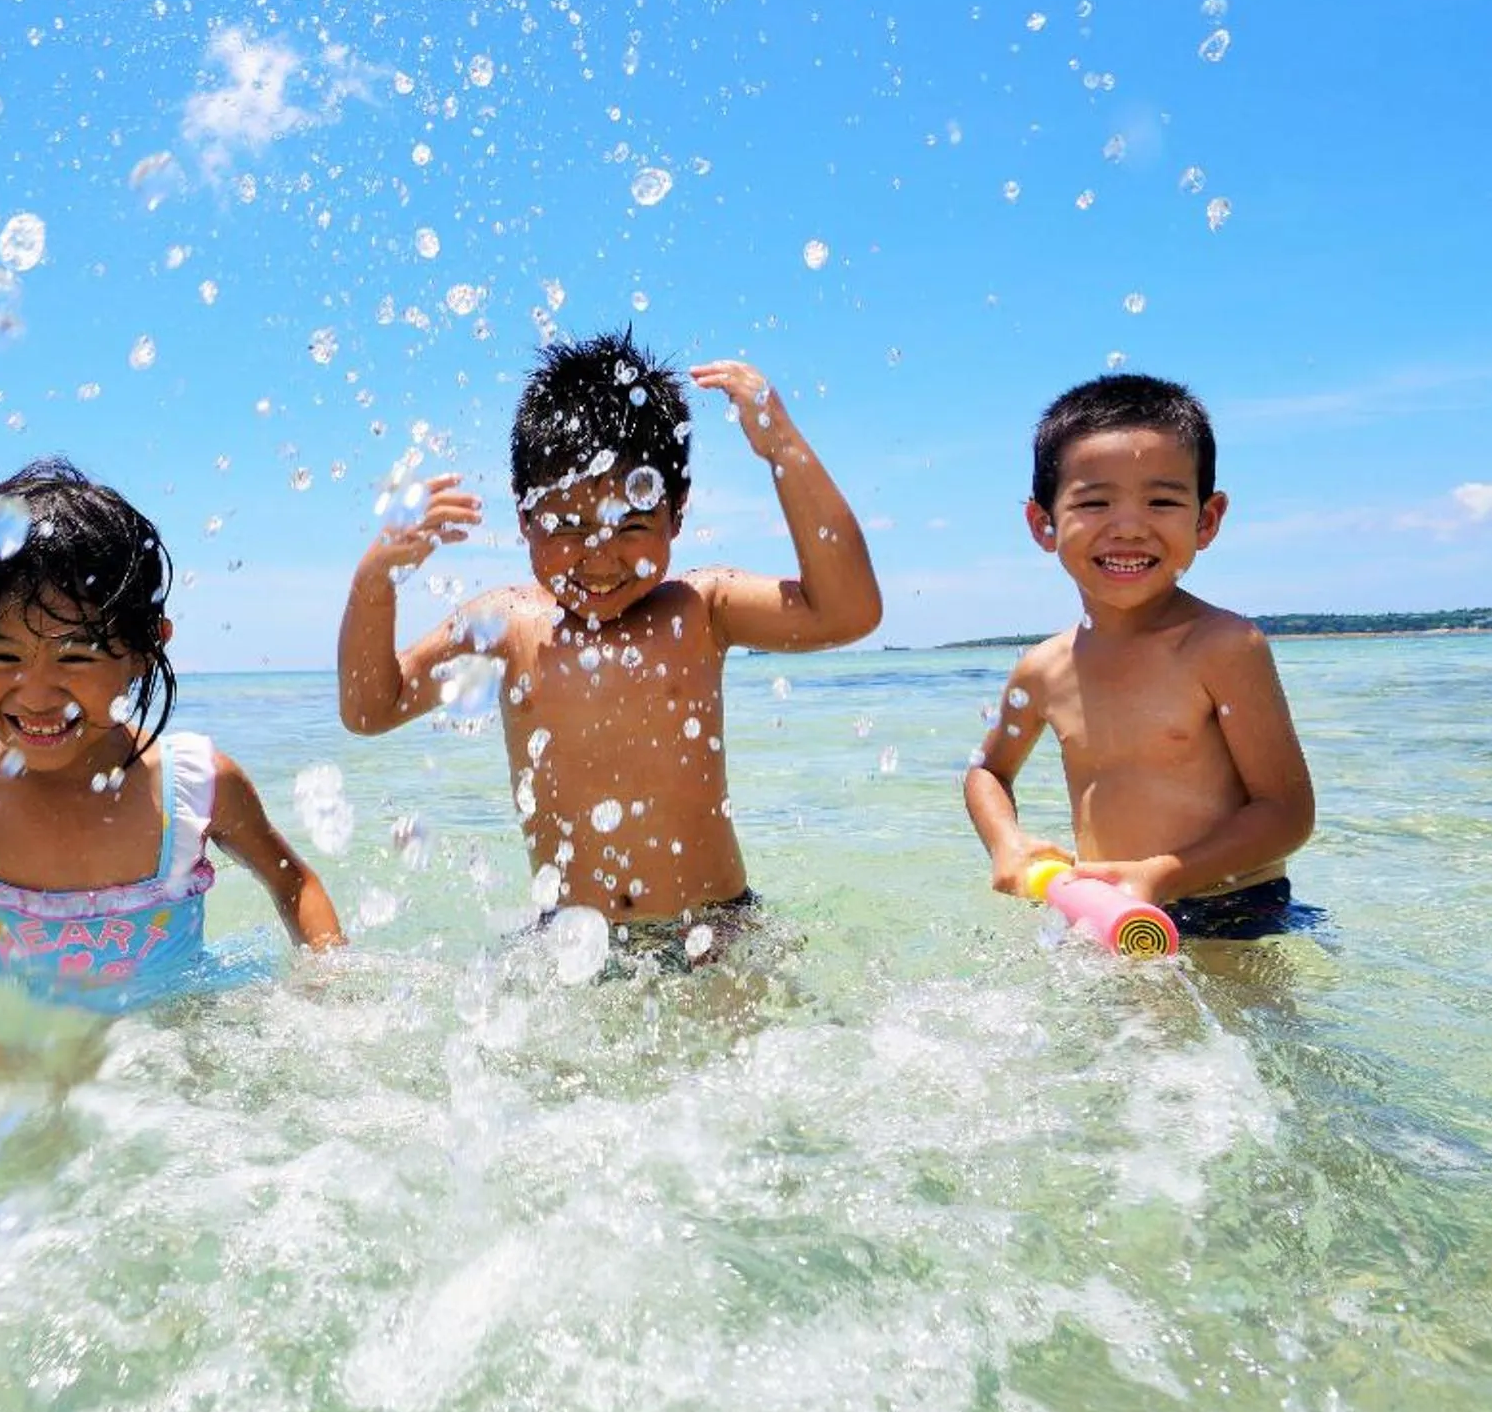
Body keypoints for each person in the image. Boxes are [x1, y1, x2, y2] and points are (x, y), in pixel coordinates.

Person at [337, 330, 881, 964]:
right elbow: (371, 707)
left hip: (711, 931)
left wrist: (781, 447)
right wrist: (375, 581)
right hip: (568, 941)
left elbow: (848, 613)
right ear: (524, 518)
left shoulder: (702, 611)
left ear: (676, 513)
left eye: (632, 524)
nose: (597, 557)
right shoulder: (509, 626)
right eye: (567, 526)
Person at [0, 459, 343, 1065]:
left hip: (182, 1057)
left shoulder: (196, 786)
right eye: (0, 656)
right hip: (30, 1075)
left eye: (76, 656)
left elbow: (295, 883)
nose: (35, 692)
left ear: (143, 648)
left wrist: (328, 990)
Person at [963, 373, 1316, 942]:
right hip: (1107, 912)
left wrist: (1160, 876)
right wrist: (1007, 843)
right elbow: (988, 771)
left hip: (1233, 912)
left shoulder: (1222, 647)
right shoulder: (1044, 668)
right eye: (1095, 502)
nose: (1128, 527)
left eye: (1161, 501)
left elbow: (1286, 813)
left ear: (1206, 520)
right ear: (1043, 524)